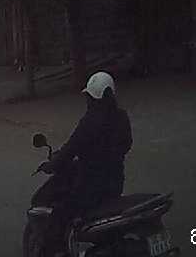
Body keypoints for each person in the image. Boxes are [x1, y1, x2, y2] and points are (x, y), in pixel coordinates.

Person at [36, 71, 132, 256]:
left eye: (88, 97)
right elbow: (126, 145)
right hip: (115, 184)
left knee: (60, 214)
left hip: (90, 189)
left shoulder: (90, 121)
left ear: (92, 97)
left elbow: (70, 149)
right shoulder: (121, 117)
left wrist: (51, 165)